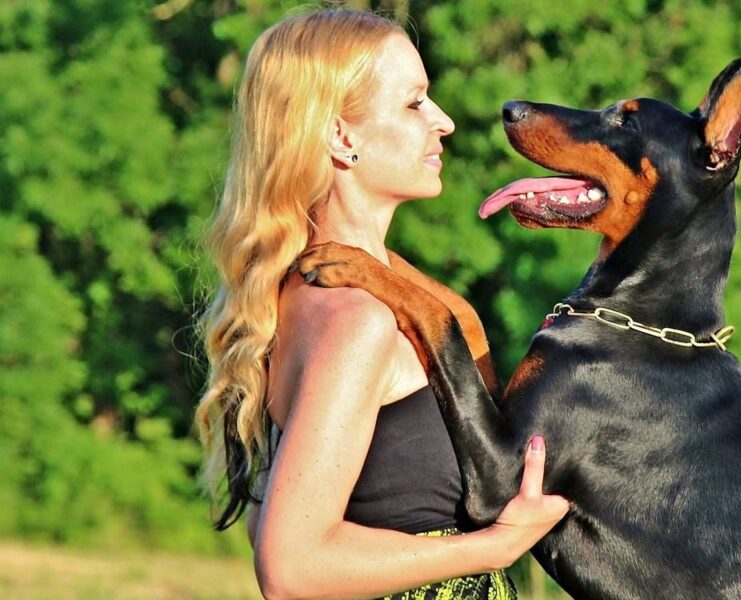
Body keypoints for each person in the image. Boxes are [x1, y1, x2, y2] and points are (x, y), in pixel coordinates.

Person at [194, 8, 570, 600]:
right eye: (414, 103)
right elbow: (290, 568)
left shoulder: (338, 293)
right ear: (342, 137)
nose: (442, 121)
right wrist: (493, 547)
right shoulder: (357, 320)